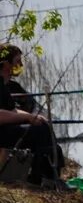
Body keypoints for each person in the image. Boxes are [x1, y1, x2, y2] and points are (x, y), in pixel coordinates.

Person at [0, 44, 63, 185]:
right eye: (17, 62)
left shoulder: (3, 85)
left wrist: (34, 117)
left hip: (4, 129)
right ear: (5, 64)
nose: (20, 66)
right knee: (38, 132)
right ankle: (40, 178)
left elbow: (12, 110)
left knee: (43, 125)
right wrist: (27, 117)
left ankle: (50, 178)